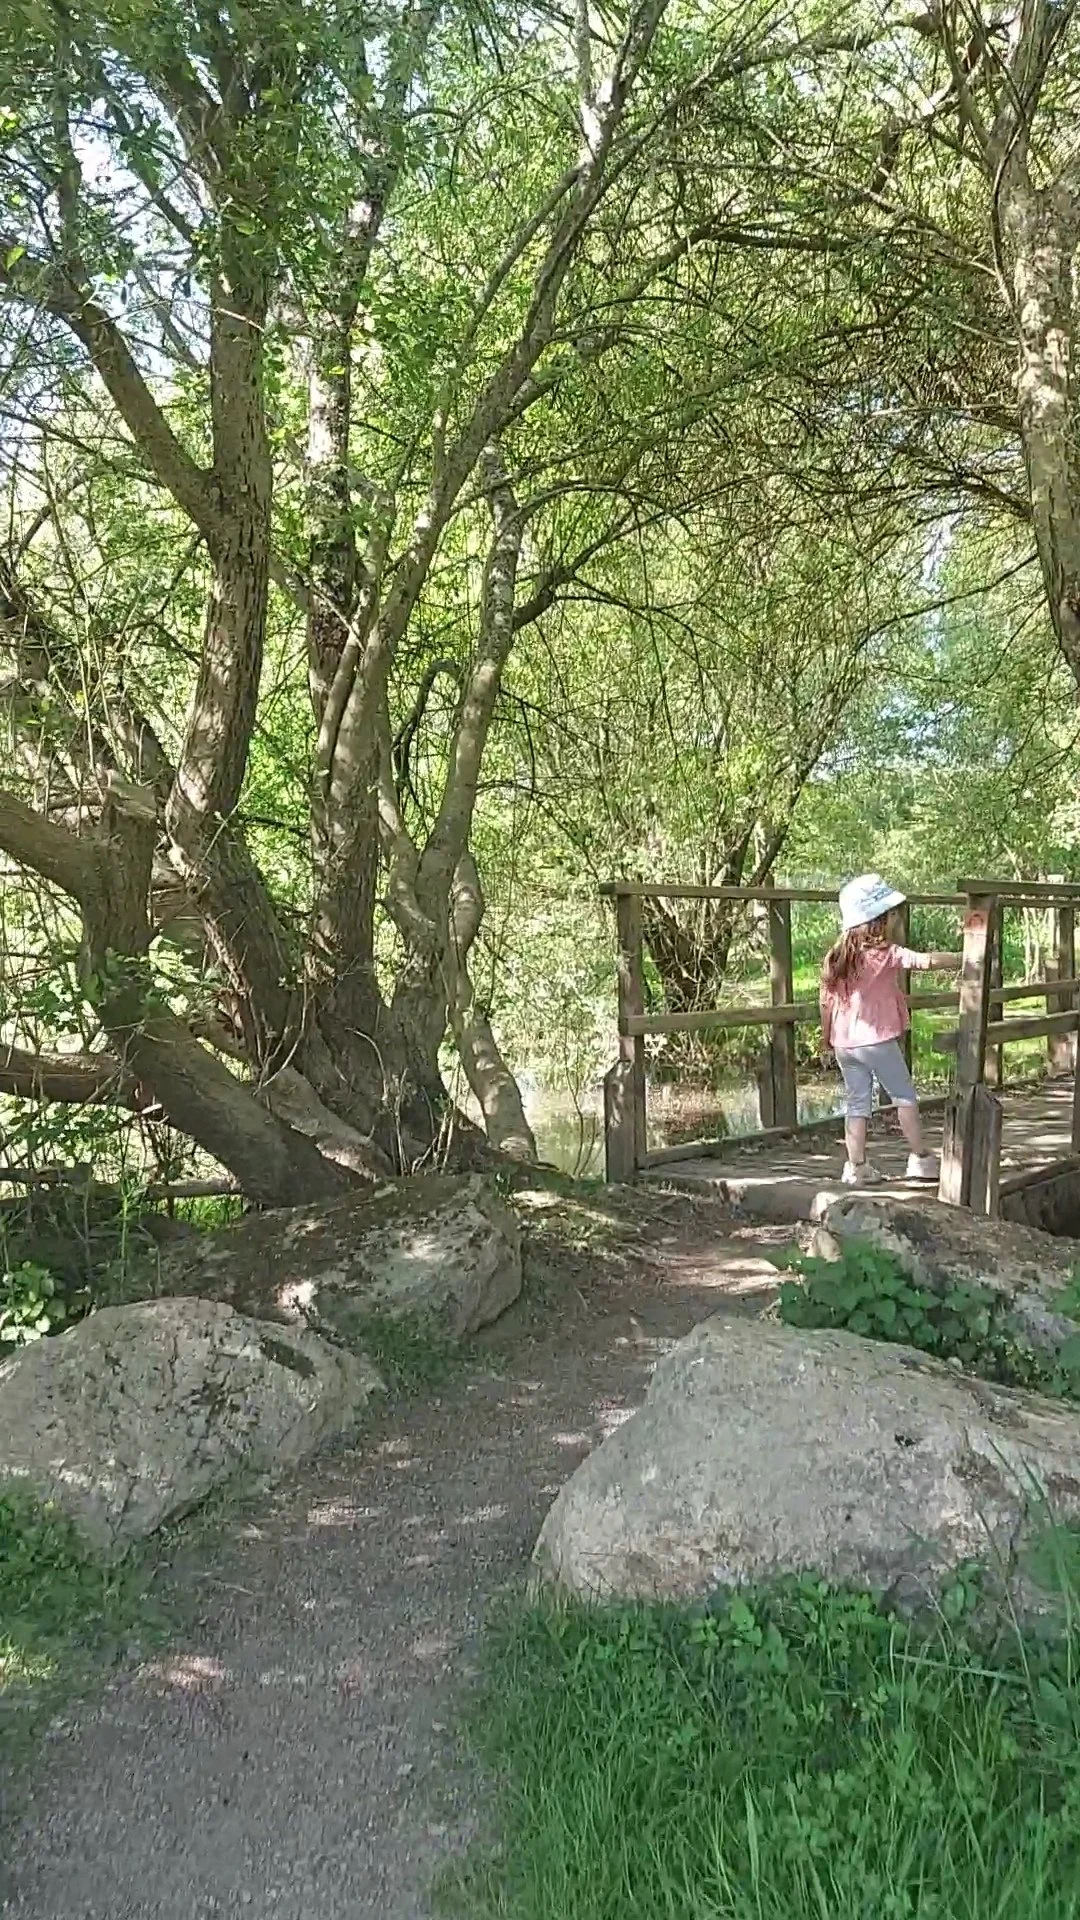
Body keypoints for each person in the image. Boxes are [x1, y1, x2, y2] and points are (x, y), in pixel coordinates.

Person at [820, 874, 962, 1188]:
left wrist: (827, 1036)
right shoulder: (887, 955)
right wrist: (964, 959)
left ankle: (856, 1166)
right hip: (878, 1040)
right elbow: (924, 962)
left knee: (857, 1102)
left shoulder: (837, 957)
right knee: (904, 1097)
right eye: (892, 914)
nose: (896, 918)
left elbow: (826, 1003)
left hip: (846, 1043)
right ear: (879, 921)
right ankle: (921, 1158)